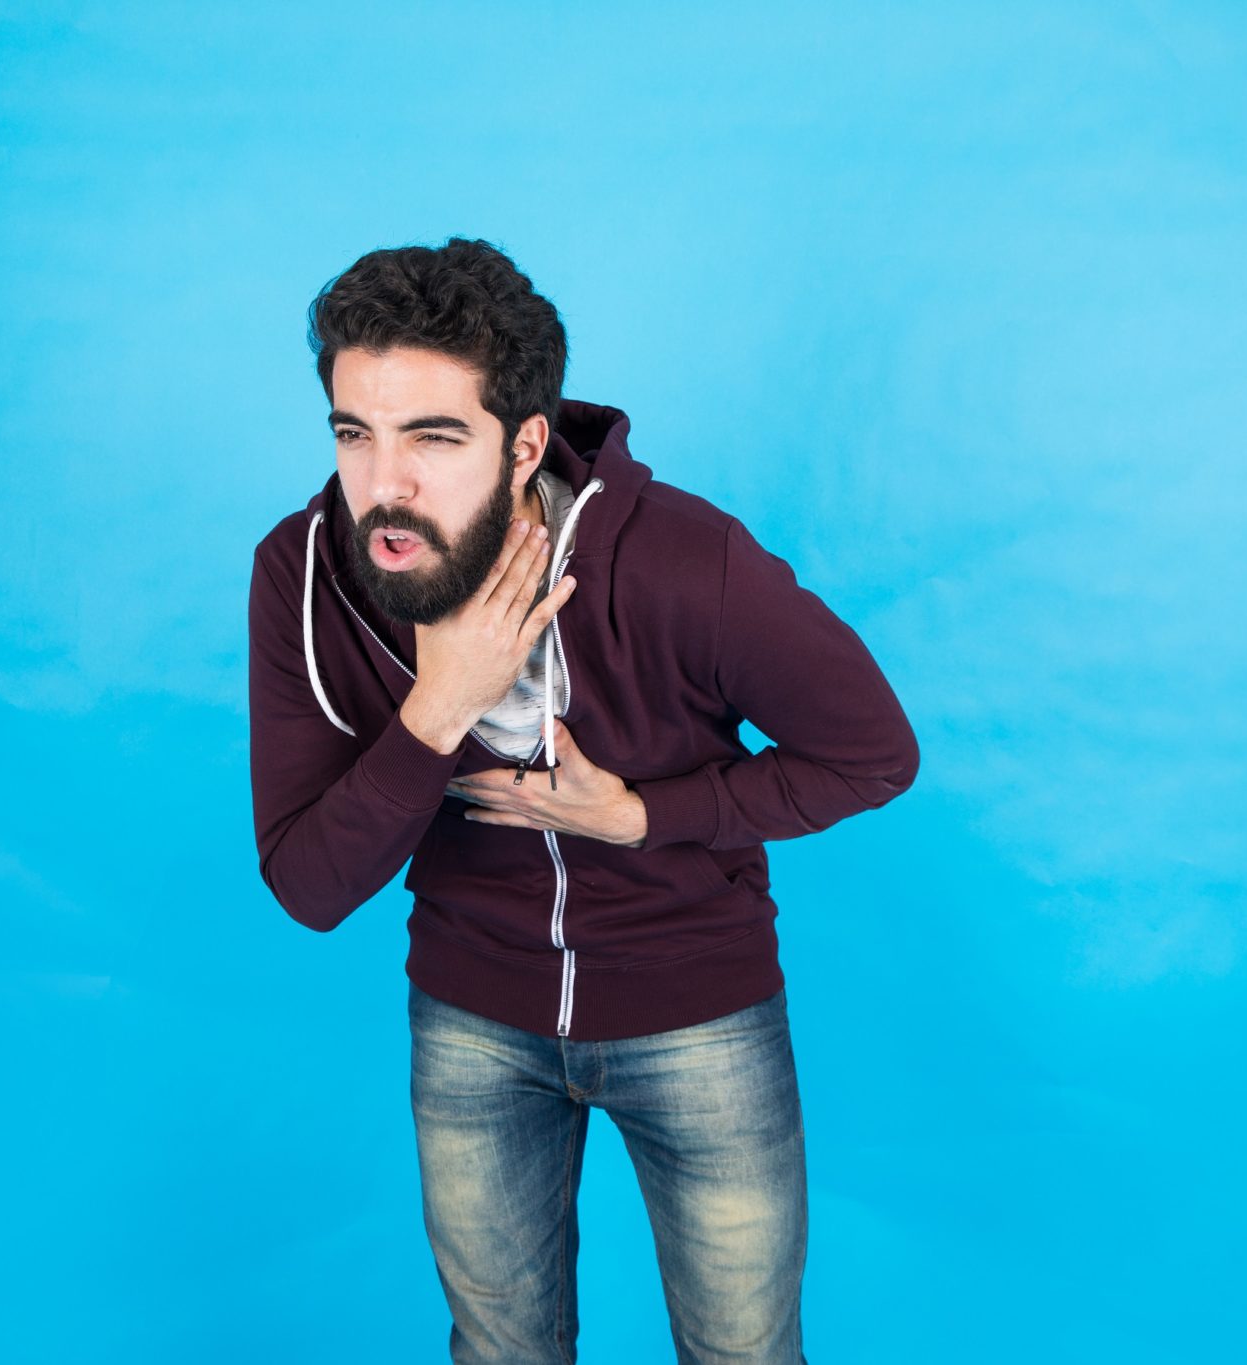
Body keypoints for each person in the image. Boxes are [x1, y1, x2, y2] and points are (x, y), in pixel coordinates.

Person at [247, 237, 919, 1364]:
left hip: (696, 1015)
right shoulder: (304, 573)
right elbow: (309, 886)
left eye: (432, 437)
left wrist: (644, 818)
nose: (383, 486)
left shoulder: (677, 562)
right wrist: (437, 710)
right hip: (470, 1020)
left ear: (521, 443)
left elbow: (870, 754)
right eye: (353, 434)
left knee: (745, 1354)